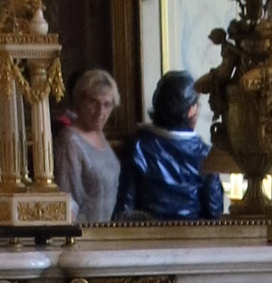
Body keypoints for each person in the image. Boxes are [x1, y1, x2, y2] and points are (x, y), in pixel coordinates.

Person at [114, 70, 224, 221]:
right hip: (192, 240)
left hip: (147, 239)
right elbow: (215, 213)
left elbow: (124, 211)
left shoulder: (138, 146)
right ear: (191, 110)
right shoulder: (204, 154)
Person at [55, 67, 122, 223]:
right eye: (94, 102)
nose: (100, 112)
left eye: (107, 105)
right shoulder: (70, 141)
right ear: (80, 101)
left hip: (104, 232)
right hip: (82, 235)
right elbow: (67, 199)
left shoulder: (100, 135)